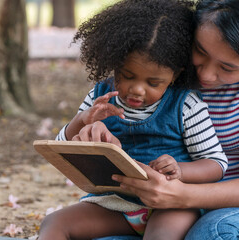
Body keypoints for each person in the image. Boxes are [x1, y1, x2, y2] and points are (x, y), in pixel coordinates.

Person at [38, 0, 228, 239]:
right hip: (115, 203)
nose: (137, 90)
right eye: (127, 76)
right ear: (115, 64)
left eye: (153, 82)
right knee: (55, 222)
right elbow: (62, 147)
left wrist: (180, 170)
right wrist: (83, 120)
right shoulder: (100, 96)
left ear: (175, 74)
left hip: (170, 204)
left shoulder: (187, 104)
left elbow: (216, 164)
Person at [96, 0, 239, 239]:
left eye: (227, 67)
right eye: (201, 51)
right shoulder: (161, 76)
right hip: (148, 204)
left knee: (213, 232)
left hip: (223, 204)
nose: (205, 74)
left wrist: (182, 196)